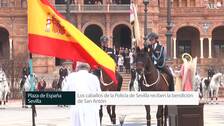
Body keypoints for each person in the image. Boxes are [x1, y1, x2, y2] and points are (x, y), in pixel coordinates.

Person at [62, 62, 101, 126]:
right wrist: (97, 107)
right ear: (88, 69)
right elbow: (99, 94)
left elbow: (64, 93)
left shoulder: (71, 77)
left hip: (76, 108)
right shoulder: (94, 78)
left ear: (77, 69)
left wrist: (70, 105)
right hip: (91, 108)